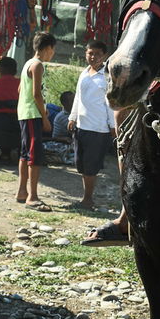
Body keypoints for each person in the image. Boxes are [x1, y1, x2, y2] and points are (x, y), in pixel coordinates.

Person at [68, 40, 114, 209]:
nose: (93, 57)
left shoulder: (108, 77)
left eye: (97, 54)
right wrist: (72, 117)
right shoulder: (84, 73)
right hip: (81, 126)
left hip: (99, 128)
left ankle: (88, 200)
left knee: (91, 166)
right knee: (82, 165)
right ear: (85, 53)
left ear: (104, 56)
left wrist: (113, 125)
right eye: (90, 53)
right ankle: (86, 198)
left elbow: (110, 103)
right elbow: (78, 97)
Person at [17, 31, 55, 210]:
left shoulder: (27, 63)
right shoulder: (38, 65)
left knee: (25, 154)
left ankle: (21, 191)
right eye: (52, 50)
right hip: (33, 114)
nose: (52, 54)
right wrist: (45, 117)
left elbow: (20, 90)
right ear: (48, 48)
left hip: (24, 113)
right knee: (34, 156)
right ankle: (32, 196)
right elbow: (37, 94)